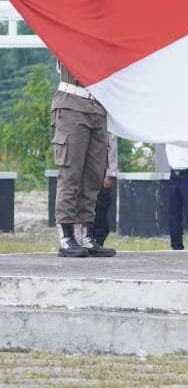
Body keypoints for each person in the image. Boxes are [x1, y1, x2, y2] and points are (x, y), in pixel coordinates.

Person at [51, 62, 116, 257]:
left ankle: (85, 235)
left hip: (98, 108)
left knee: (93, 176)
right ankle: (67, 236)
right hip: (72, 103)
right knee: (71, 175)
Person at [91, 130, 117, 247]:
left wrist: (109, 173)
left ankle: (99, 240)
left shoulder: (108, 126)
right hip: (87, 170)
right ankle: (85, 238)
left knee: (101, 207)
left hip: (102, 171)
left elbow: (112, 147)